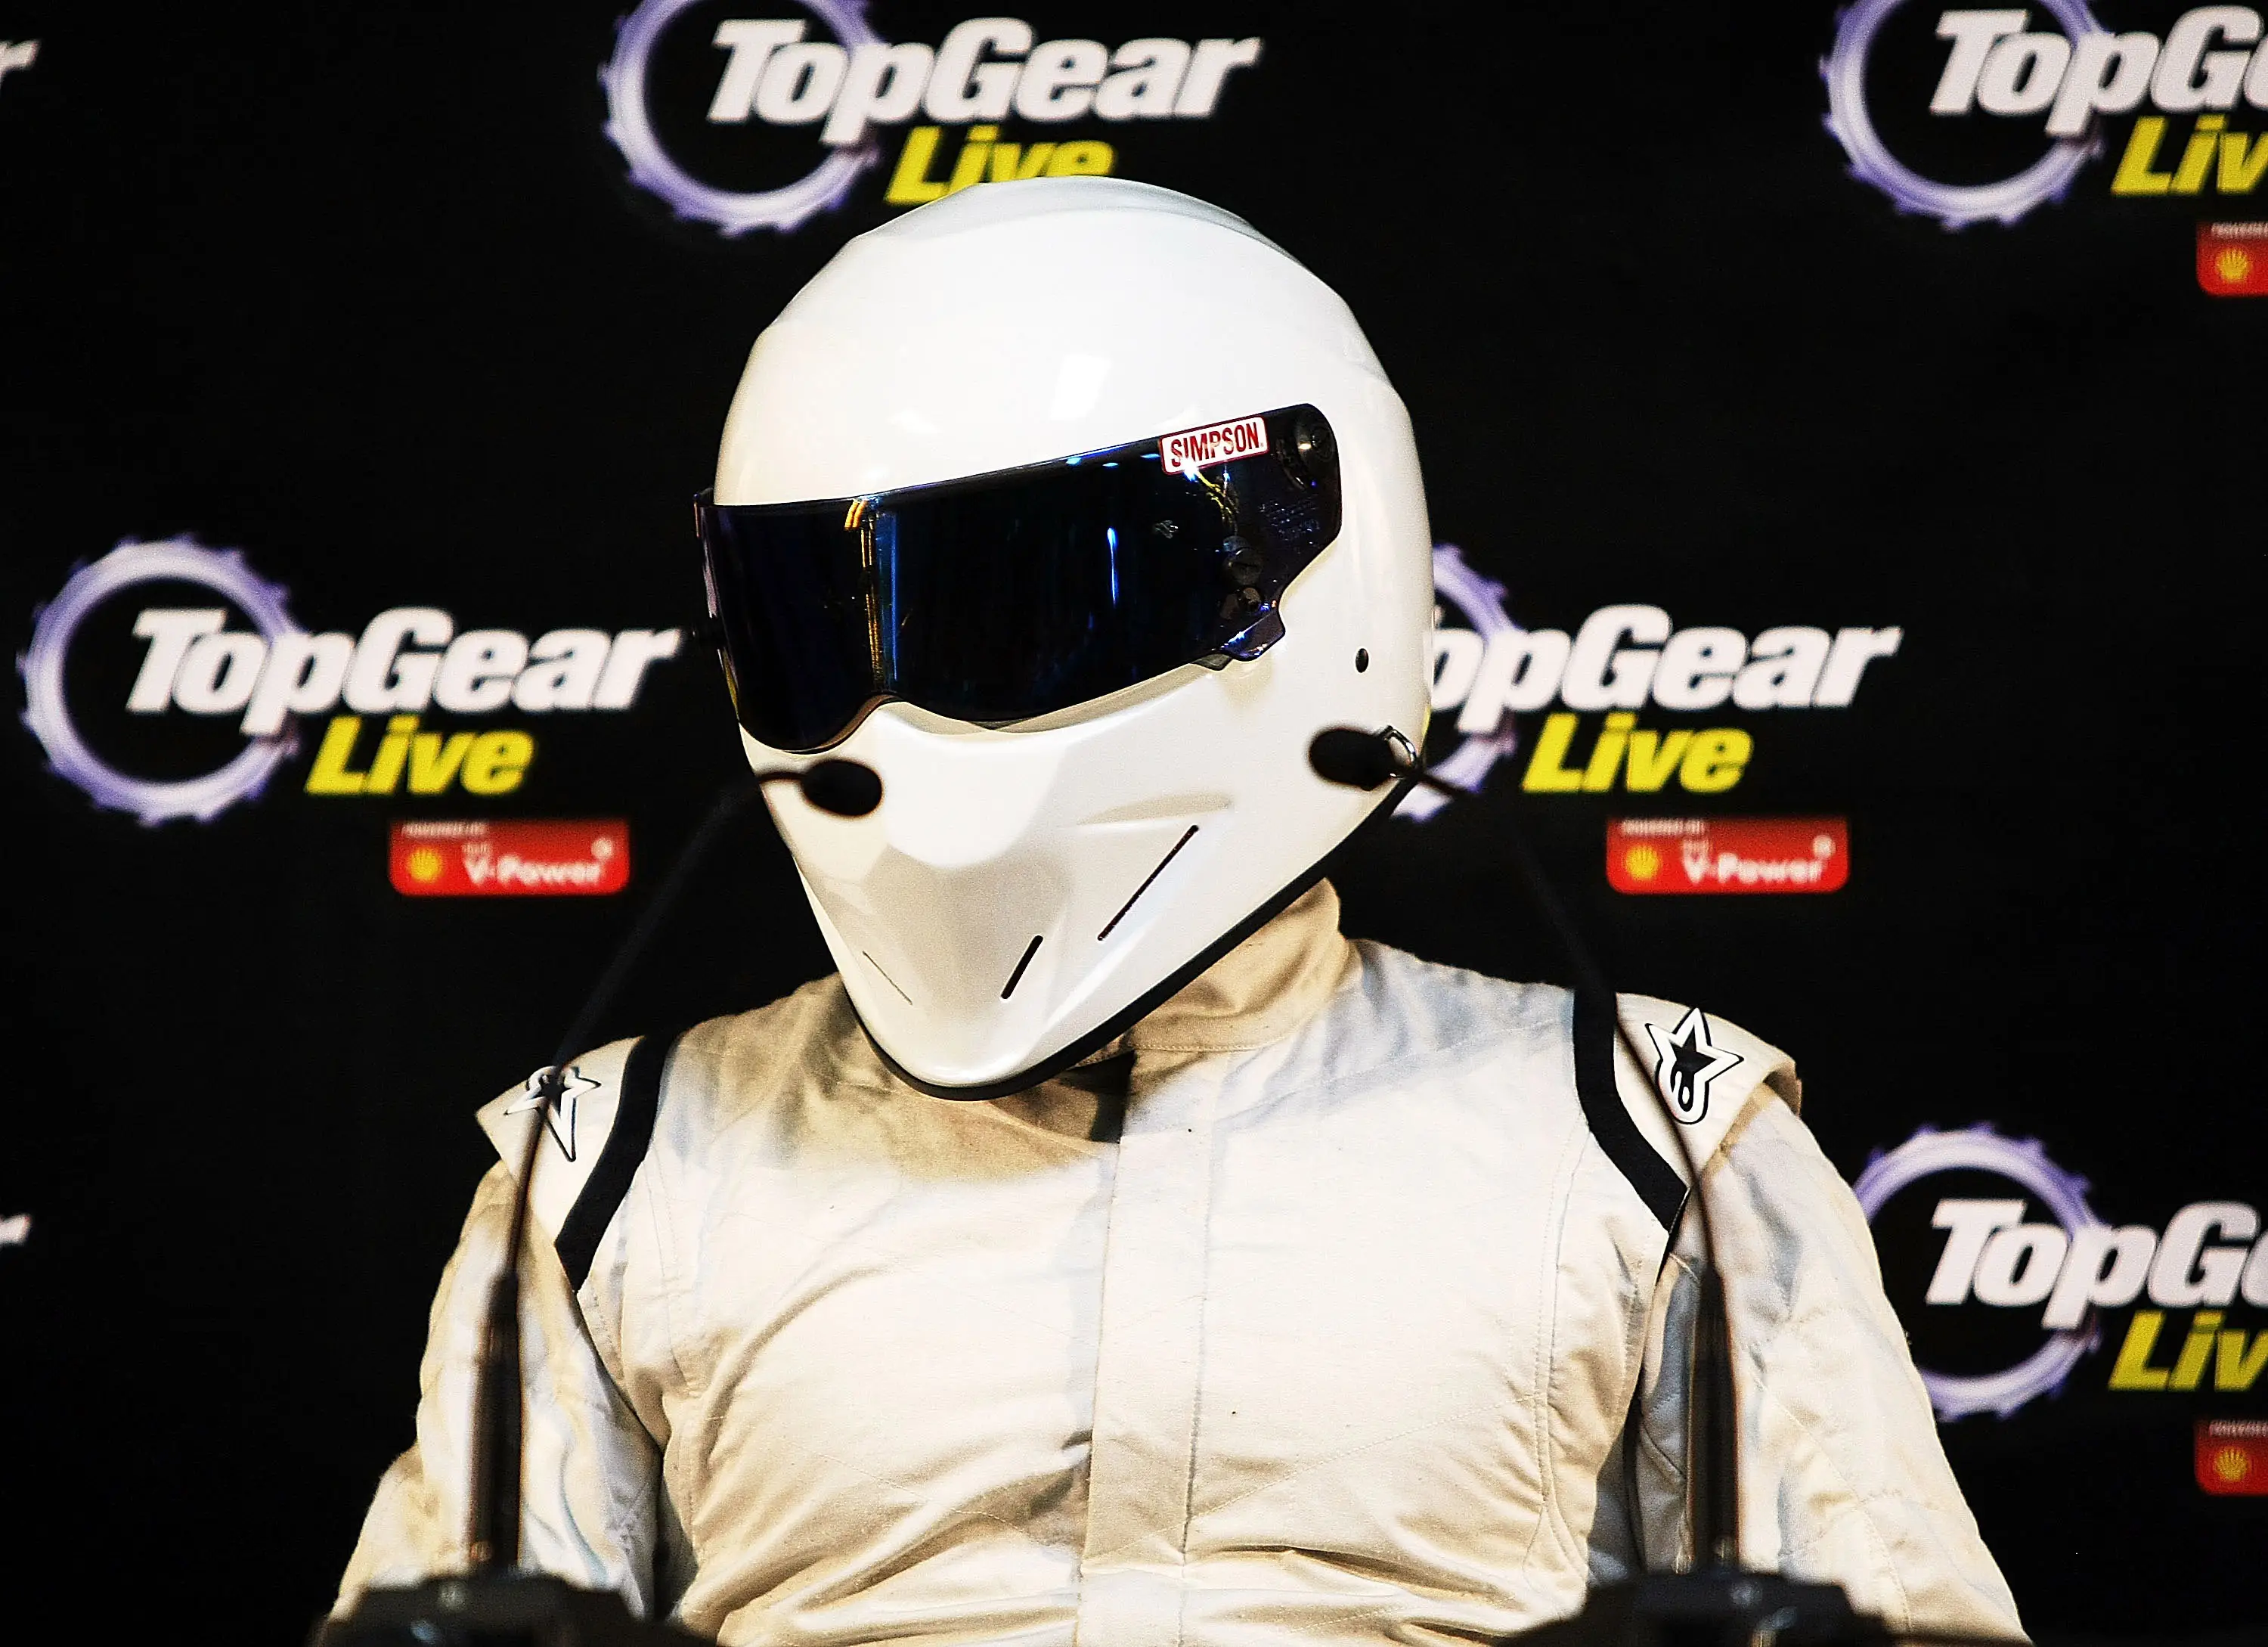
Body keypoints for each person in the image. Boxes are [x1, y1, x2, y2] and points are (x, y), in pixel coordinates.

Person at [338, 178, 2022, 1645]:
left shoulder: (1647, 1134)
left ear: (1292, 578)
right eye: (827, 618)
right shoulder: (625, 1158)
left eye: (1010, 608)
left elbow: (1889, 1624)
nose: (900, 716)